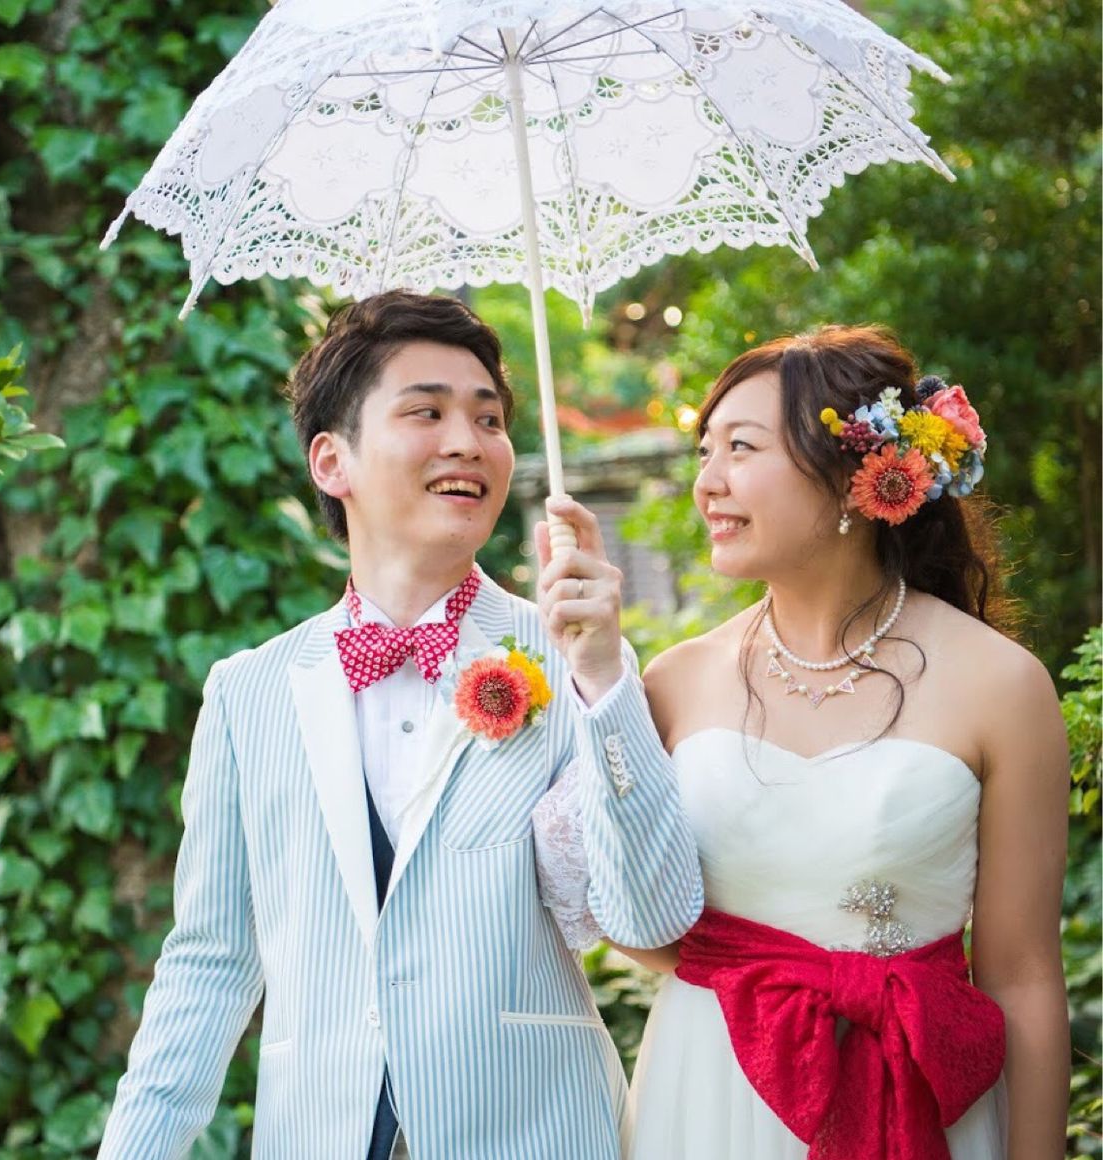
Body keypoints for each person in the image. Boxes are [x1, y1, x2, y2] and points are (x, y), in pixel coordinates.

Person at [97, 290, 703, 1160]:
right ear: (331, 460)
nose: (469, 442)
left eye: (489, 419)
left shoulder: (574, 655)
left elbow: (652, 917)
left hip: (537, 1134)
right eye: (427, 411)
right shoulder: (248, 694)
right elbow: (209, 961)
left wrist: (604, 676)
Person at [533, 325, 1070, 1159]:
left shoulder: (1002, 685)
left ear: (857, 477)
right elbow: (645, 937)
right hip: (709, 1092)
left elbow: (1023, 976)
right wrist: (599, 676)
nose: (707, 482)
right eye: (704, 452)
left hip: (915, 1095)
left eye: (741, 448)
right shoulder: (673, 682)